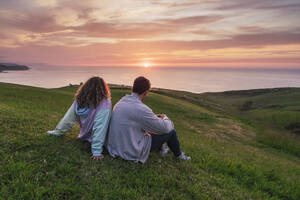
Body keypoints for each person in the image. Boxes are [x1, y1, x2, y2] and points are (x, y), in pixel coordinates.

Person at [106, 76, 190, 163]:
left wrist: (153, 118)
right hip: (130, 151)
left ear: (133, 89)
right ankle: (179, 155)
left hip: (115, 147)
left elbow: (133, 120)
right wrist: (165, 118)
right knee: (171, 132)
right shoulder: (141, 108)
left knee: (150, 131)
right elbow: (165, 128)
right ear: (146, 93)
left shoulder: (120, 102)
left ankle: (162, 149)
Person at [47, 77, 111, 161]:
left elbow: (68, 120)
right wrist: (96, 151)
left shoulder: (79, 100)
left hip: (83, 136)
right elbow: (100, 127)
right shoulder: (105, 102)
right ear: (103, 88)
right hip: (101, 139)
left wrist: (57, 132)